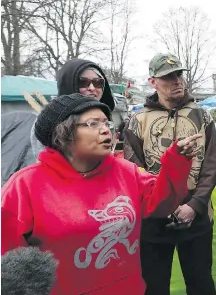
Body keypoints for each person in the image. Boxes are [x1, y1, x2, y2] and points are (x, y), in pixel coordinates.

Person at [1, 94, 200, 294]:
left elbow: (161, 204)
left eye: (106, 123)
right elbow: (9, 263)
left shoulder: (125, 172)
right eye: (92, 124)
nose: (106, 130)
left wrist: (176, 162)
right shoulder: (24, 186)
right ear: (63, 133)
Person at [123, 53, 216, 295]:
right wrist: (160, 205)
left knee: (201, 285)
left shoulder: (202, 116)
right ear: (153, 81)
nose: (177, 80)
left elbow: (210, 167)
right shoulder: (138, 121)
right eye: (168, 76)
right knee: (154, 287)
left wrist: (194, 205)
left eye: (179, 74)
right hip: (154, 221)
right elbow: (134, 169)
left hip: (196, 218)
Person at [31, 59, 116, 159]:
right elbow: (44, 160)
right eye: (83, 82)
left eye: (98, 82)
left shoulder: (105, 116)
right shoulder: (50, 120)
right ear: (68, 84)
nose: (92, 88)